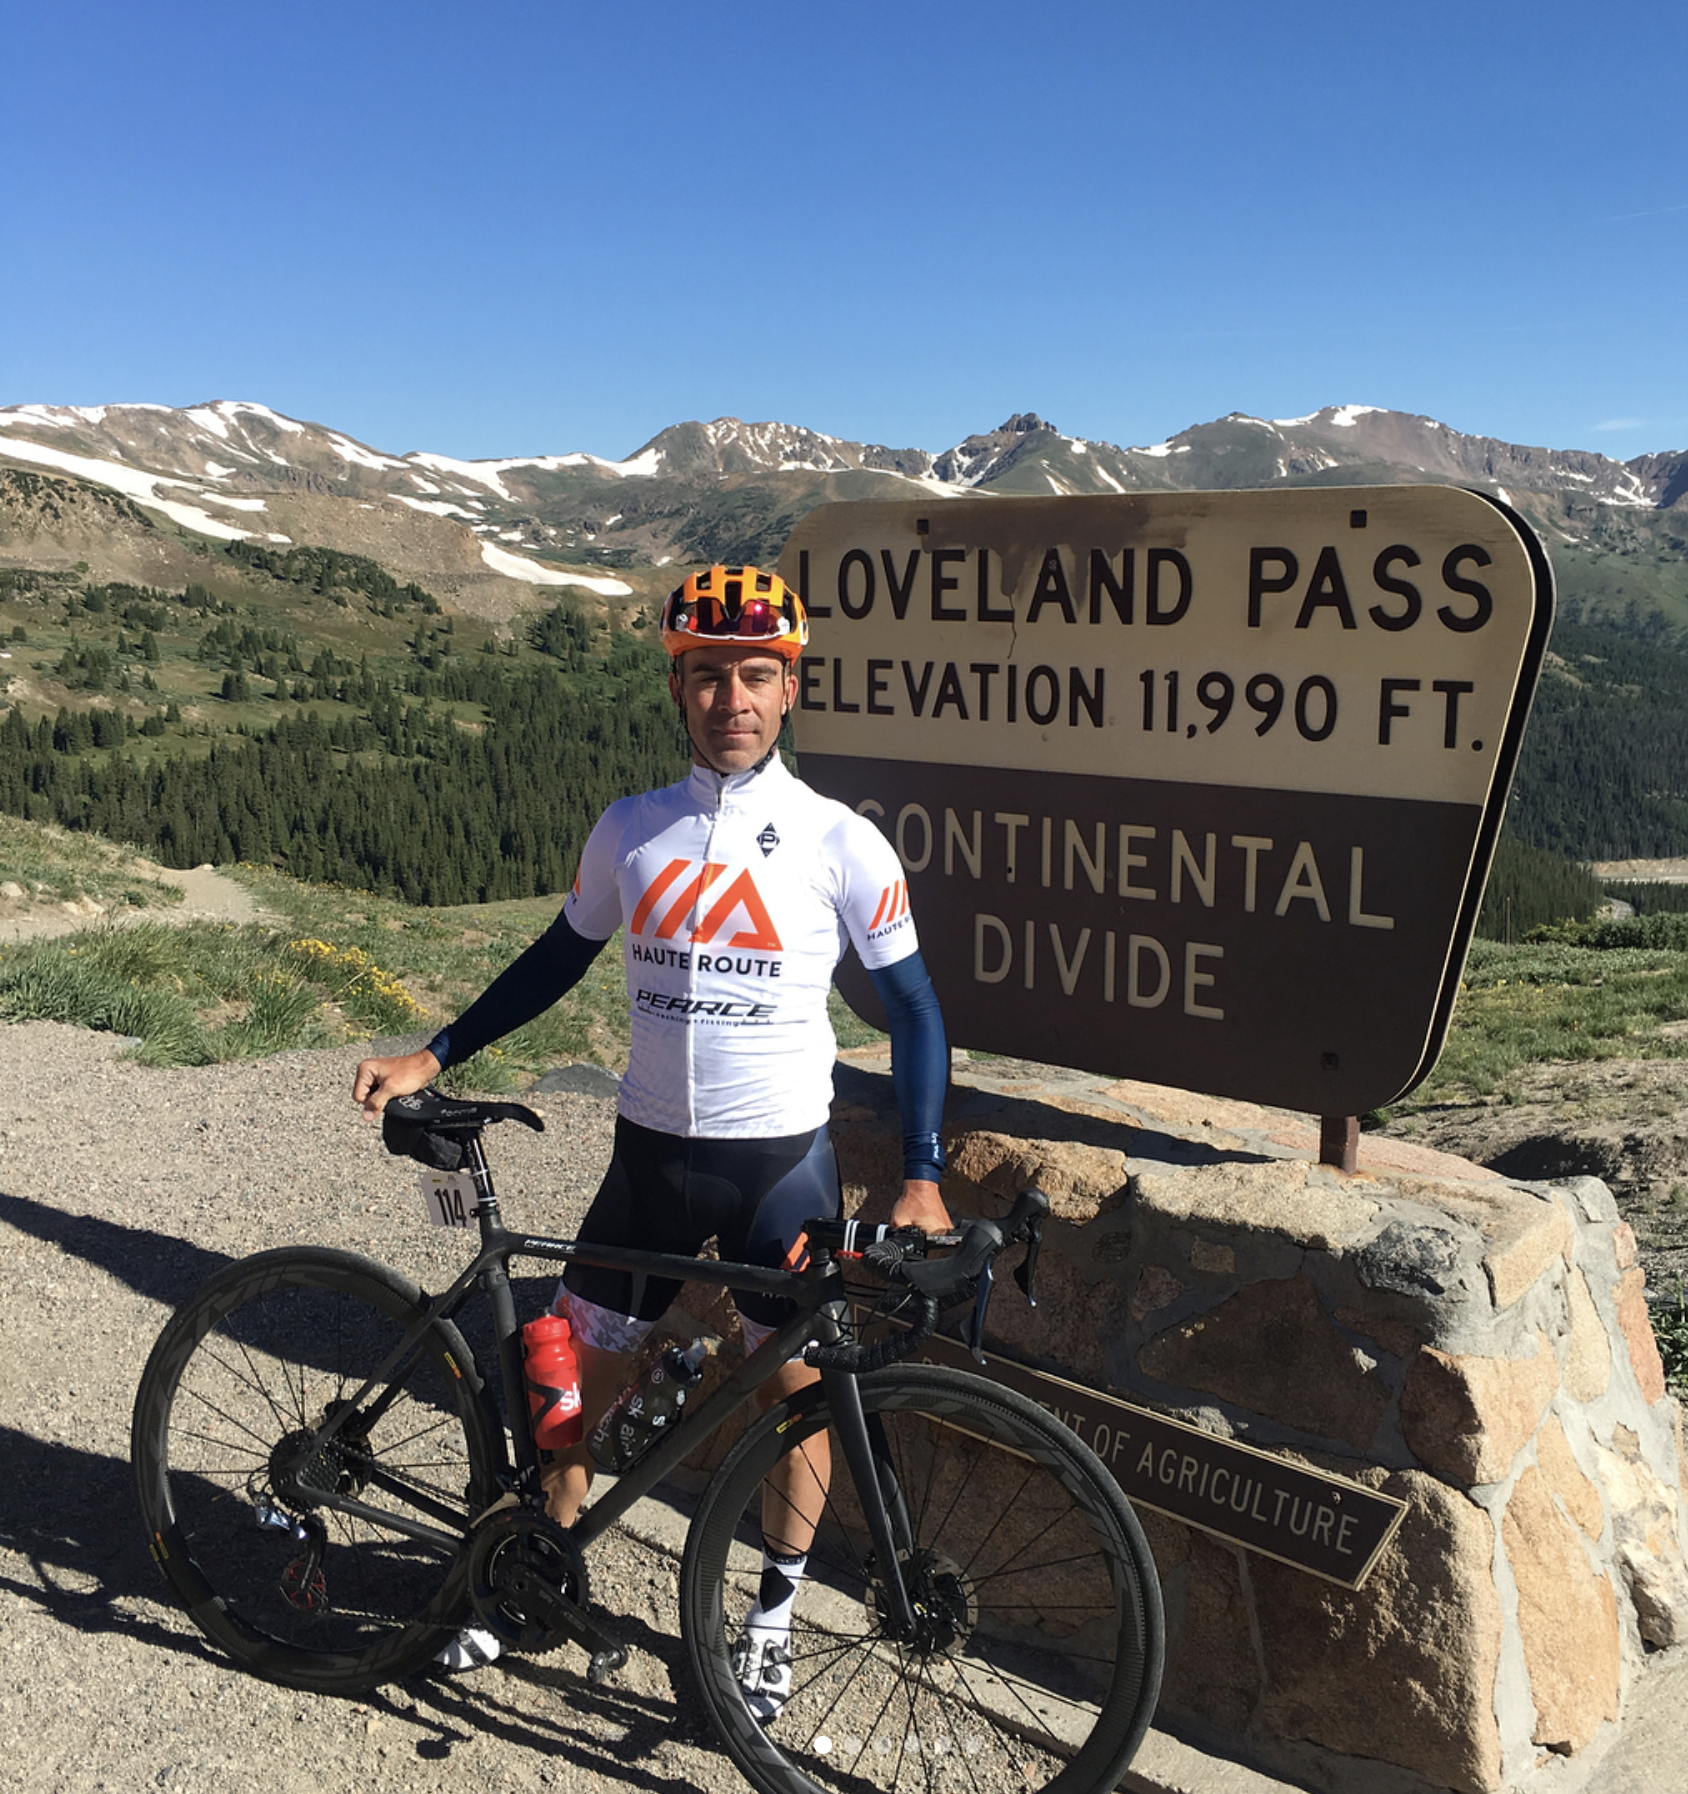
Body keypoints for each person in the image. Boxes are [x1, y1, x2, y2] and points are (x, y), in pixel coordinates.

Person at [352, 564, 952, 1706]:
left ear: (789, 691)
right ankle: (529, 1574)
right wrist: (434, 1053)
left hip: (780, 1167)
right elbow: (556, 957)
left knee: (794, 1395)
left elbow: (915, 1008)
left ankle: (770, 1620)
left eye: (757, 675)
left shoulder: (841, 843)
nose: (734, 697)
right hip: (649, 1160)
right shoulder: (633, 829)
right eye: (710, 675)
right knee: (579, 1378)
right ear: (681, 691)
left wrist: (922, 1176)